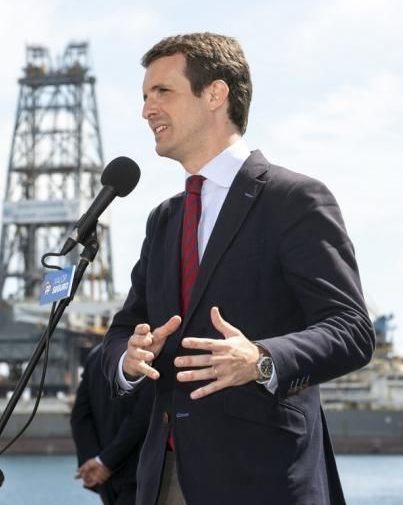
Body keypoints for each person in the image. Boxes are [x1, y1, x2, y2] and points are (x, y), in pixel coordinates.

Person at [102, 33, 375, 505]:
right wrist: (128, 359)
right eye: (144, 97)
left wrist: (262, 360)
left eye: (161, 92)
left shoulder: (294, 200)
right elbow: (123, 329)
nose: (146, 110)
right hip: (164, 479)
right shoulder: (164, 219)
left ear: (215, 94)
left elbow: (351, 330)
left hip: (264, 478)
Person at [71, 343, 152, 505]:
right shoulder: (149, 354)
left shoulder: (96, 354)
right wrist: (105, 462)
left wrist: (95, 461)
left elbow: (79, 416)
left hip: (105, 480)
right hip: (139, 476)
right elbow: (141, 418)